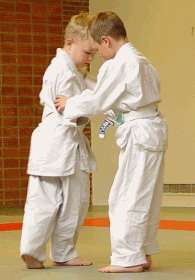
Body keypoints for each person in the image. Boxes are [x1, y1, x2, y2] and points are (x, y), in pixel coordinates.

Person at [55, 11, 168, 273]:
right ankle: (142, 251)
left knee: (125, 196)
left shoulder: (119, 64)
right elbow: (114, 95)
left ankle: (128, 258)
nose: (97, 56)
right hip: (151, 130)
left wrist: (69, 103)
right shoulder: (141, 60)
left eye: (97, 49)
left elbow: (100, 101)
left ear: (106, 41)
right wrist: (86, 84)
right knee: (146, 195)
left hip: (140, 134)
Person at [20, 12, 97, 269]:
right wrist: (92, 107)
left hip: (52, 144)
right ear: (70, 41)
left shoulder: (68, 70)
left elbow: (92, 93)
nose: (90, 58)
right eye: (88, 52)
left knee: (46, 200)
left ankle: (33, 250)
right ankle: (62, 251)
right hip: (62, 142)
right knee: (71, 202)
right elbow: (72, 109)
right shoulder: (63, 72)